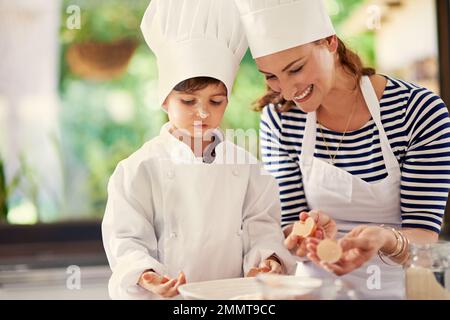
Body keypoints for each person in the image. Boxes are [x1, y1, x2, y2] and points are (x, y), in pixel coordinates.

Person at [233, 0, 450, 299]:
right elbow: (288, 224)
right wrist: (303, 235)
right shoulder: (280, 118)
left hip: (399, 290)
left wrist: (385, 239)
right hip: (314, 291)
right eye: (270, 76)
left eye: (295, 69)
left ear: (330, 42)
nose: (286, 90)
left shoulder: (417, 111)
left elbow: (424, 244)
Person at [101, 0, 295, 300]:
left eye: (215, 101)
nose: (202, 113)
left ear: (227, 102)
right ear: (165, 100)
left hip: (234, 300)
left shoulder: (248, 168)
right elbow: (126, 240)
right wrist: (147, 275)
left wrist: (268, 262)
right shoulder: (138, 169)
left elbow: (262, 228)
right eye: (188, 102)